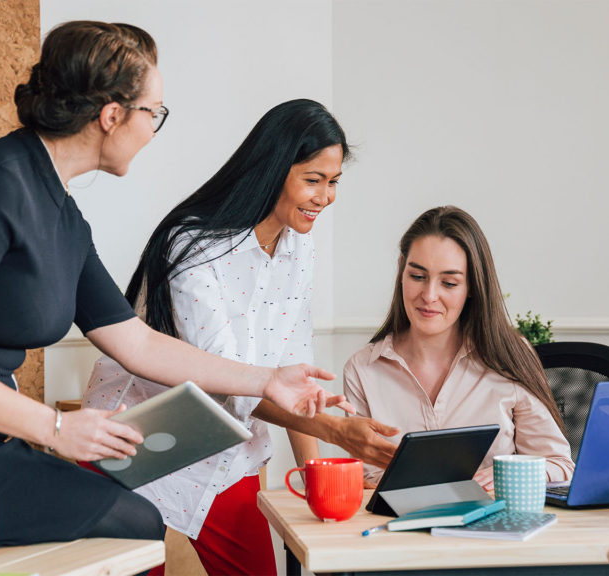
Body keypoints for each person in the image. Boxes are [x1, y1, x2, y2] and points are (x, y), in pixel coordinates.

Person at [0, 21, 346, 547]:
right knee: (133, 524)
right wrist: (55, 429)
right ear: (112, 116)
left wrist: (266, 379)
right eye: (153, 114)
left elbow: (136, 341)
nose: (152, 131)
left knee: (135, 522)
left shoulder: (64, 216)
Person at [84, 99, 400, 576]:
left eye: (333, 182)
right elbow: (230, 378)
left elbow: (295, 372)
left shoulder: (300, 249)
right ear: (273, 170)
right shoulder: (192, 245)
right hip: (138, 449)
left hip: (225, 456)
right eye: (313, 179)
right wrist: (338, 433)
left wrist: (314, 480)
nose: (325, 196)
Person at [343, 206, 575, 490]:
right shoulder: (363, 369)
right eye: (417, 276)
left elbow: (559, 466)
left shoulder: (509, 355)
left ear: (473, 286)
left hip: (490, 526)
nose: (429, 296)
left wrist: (507, 474)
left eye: (449, 283)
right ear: (401, 270)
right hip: (400, 528)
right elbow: (367, 478)